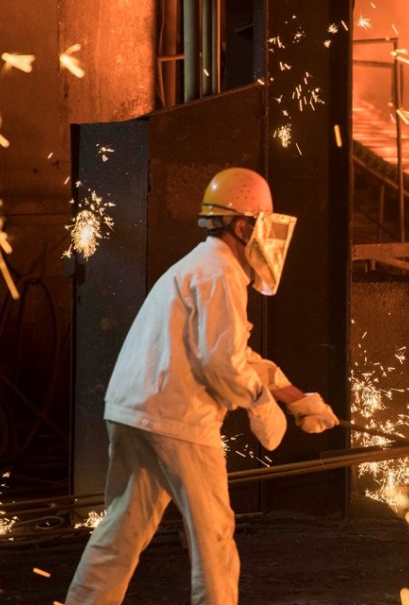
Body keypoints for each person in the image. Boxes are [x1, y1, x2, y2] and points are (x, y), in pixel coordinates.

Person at [65, 167, 339, 605]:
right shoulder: (221, 274)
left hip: (134, 413)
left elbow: (236, 354)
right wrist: (262, 407)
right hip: (180, 421)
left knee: (122, 531)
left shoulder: (199, 266)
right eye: (261, 224)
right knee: (214, 539)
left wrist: (298, 399)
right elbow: (221, 363)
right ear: (243, 226)